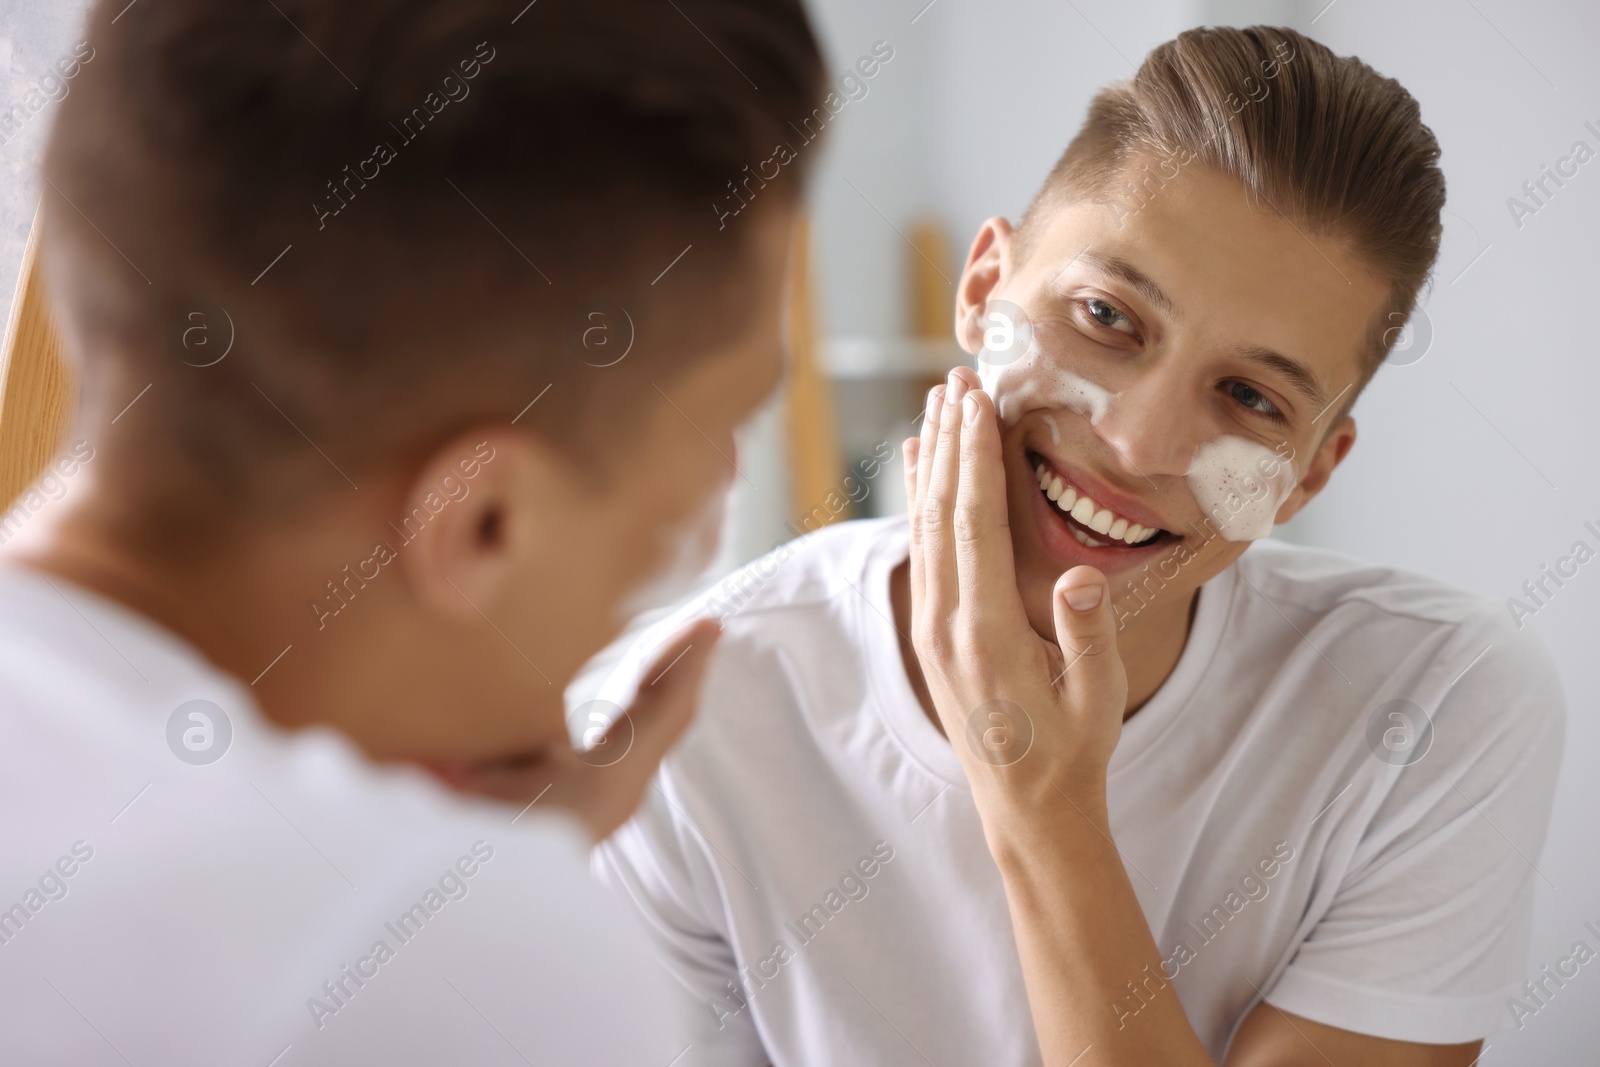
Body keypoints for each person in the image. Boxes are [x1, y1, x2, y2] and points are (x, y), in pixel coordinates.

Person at [592, 25, 1564, 1066]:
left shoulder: (1432, 706)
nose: (1140, 442)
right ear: (981, 290)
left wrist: (1040, 798)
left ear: (1310, 472)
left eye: (1248, 396)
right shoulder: (666, 722)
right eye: (1106, 314)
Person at [0, 0, 821, 1062]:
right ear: (482, 523)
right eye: (718, 433)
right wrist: (473, 910)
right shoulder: (458, 950)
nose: (722, 484)